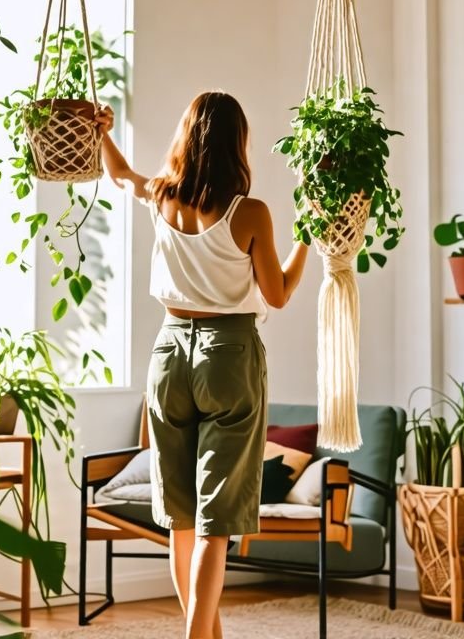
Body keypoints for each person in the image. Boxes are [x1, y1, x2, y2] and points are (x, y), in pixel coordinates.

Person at [98, 91, 310, 639]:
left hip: (167, 355)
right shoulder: (250, 213)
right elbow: (278, 293)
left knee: (182, 516)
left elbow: (119, 174)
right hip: (229, 355)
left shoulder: (161, 196)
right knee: (216, 519)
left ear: (187, 138)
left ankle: (206, 632)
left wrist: (101, 131)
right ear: (236, 143)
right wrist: (307, 239)